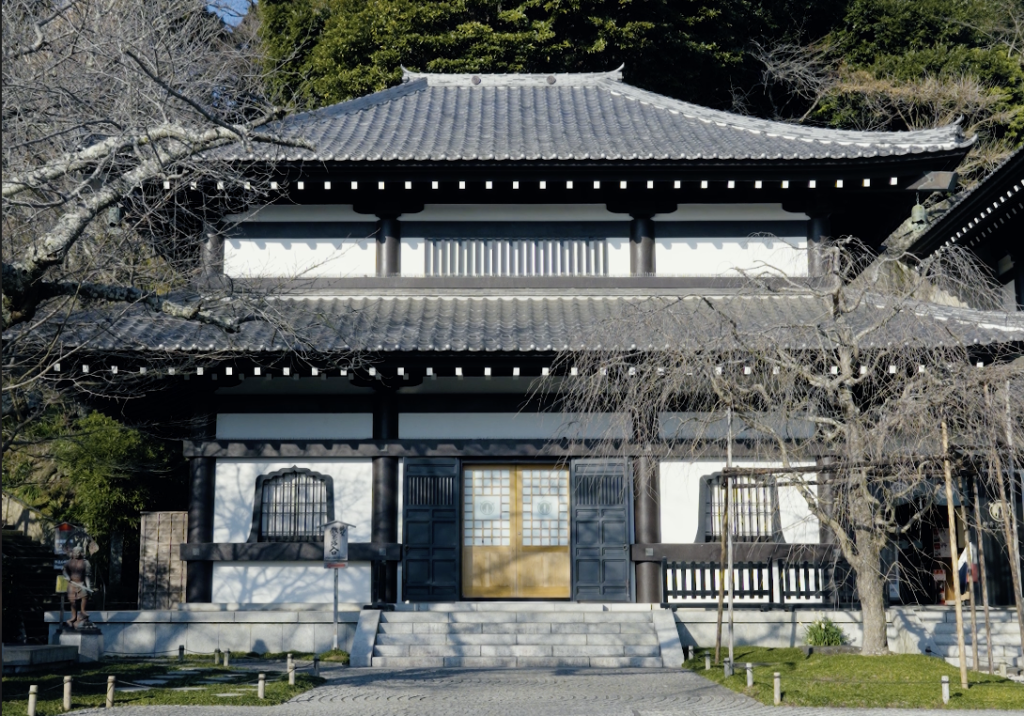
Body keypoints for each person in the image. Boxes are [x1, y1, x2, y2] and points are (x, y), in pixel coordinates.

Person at [62, 546, 93, 628]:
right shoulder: (68, 562)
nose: (76, 554)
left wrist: (88, 586)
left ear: (81, 553)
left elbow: (87, 576)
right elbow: (64, 571)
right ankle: (73, 616)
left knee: (84, 595)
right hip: (72, 583)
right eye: (74, 552)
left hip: (81, 583)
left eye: (78, 552)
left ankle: (83, 611)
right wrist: (67, 576)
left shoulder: (86, 563)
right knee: (72, 601)